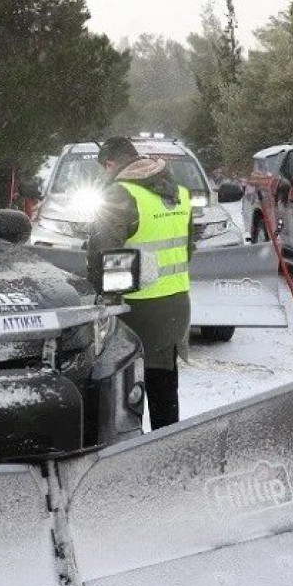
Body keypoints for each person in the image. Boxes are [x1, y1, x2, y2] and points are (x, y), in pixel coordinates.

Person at [86, 136, 194, 430]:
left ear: (109, 164)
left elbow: (107, 258)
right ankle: (166, 445)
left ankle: (132, 454)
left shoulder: (119, 196)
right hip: (175, 304)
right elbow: (187, 250)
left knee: (123, 390)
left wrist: (98, 291)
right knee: (164, 388)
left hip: (136, 310)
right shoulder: (178, 193)